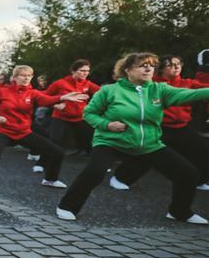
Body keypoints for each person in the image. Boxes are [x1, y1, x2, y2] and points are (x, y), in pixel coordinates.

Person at [57, 52, 209, 224]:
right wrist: (107, 125)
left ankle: (179, 212)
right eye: (142, 65)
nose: (148, 68)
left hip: (147, 144)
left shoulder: (159, 90)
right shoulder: (109, 91)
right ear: (128, 70)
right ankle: (67, 206)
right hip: (110, 141)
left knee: (188, 173)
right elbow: (89, 114)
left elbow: (192, 94)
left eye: (151, 65)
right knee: (95, 172)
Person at [109, 54, 209, 192]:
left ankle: (200, 181)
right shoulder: (152, 84)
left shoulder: (188, 83)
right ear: (161, 69)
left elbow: (205, 88)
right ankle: (120, 178)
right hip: (158, 127)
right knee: (146, 155)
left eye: (178, 64)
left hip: (181, 127)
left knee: (203, 150)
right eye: (171, 65)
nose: (176, 67)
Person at [0, 65, 87, 188]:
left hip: (23, 131)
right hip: (3, 130)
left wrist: (62, 97)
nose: (26, 78)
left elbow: (46, 100)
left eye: (29, 75)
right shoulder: (3, 92)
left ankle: (50, 179)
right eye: (23, 75)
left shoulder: (32, 93)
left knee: (58, 152)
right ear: (14, 77)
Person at [34, 60, 100, 172]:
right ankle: (41, 163)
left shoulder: (87, 84)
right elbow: (42, 97)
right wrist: (54, 105)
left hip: (80, 118)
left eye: (87, 71)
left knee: (92, 139)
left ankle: (99, 165)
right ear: (73, 71)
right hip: (60, 117)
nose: (85, 73)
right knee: (54, 140)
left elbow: (104, 93)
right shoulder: (60, 83)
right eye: (82, 70)